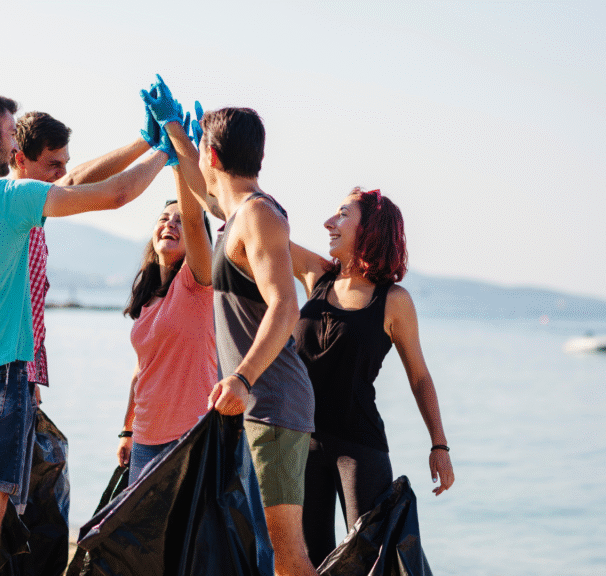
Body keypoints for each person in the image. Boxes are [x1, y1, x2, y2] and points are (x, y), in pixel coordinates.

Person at [0, 90, 170, 576]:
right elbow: (115, 195)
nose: (14, 143)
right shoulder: (4, 198)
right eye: (9, 132)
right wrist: (166, 148)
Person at [151, 77, 319, 576]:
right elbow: (204, 194)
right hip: (255, 403)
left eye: (201, 149)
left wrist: (242, 378)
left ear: (214, 155)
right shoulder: (237, 214)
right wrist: (174, 132)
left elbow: (285, 306)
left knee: (286, 554)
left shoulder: (260, 215)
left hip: (271, 402)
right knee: (260, 552)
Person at [288, 187, 455, 566]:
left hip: (359, 447)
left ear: (371, 229)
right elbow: (261, 229)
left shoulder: (393, 300)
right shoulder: (317, 276)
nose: (328, 223)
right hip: (301, 441)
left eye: (342, 214)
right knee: (308, 560)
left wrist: (439, 446)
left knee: (368, 561)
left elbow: (419, 377)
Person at [11, 111, 153, 399]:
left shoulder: (32, 205)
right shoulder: (14, 200)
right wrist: (160, 149)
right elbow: (116, 194)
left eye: (65, 163)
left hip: (18, 371)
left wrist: (145, 142)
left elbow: (75, 179)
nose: (62, 173)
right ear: (21, 160)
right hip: (5, 373)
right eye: (53, 164)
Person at [116, 169, 216, 483]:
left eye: (179, 220)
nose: (170, 223)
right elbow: (141, 370)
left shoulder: (197, 283)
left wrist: (179, 164)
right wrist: (127, 430)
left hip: (190, 434)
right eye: (163, 218)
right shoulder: (148, 300)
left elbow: (195, 220)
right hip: (145, 437)